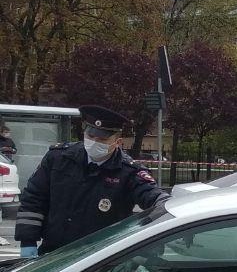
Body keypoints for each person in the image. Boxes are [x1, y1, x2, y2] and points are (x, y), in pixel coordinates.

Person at [16, 106, 165, 258]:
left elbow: (151, 194)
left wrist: (167, 203)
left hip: (99, 261)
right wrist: (27, 241)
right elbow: (33, 198)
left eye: (102, 139)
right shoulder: (59, 159)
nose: (94, 142)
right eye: (90, 136)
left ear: (117, 142)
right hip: (54, 253)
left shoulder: (128, 172)